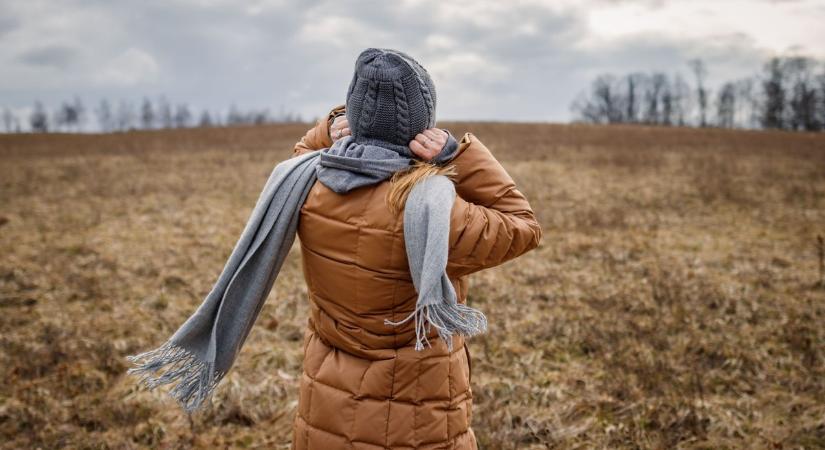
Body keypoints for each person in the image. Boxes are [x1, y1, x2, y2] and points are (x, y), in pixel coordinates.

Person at [289, 49, 542, 449]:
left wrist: (330, 127)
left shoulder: (309, 187)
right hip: (418, 420)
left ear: (356, 119)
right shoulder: (434, 209)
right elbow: (522, 225)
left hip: (327, 410)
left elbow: (301, 154)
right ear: (421, 126)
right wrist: (458, 154)